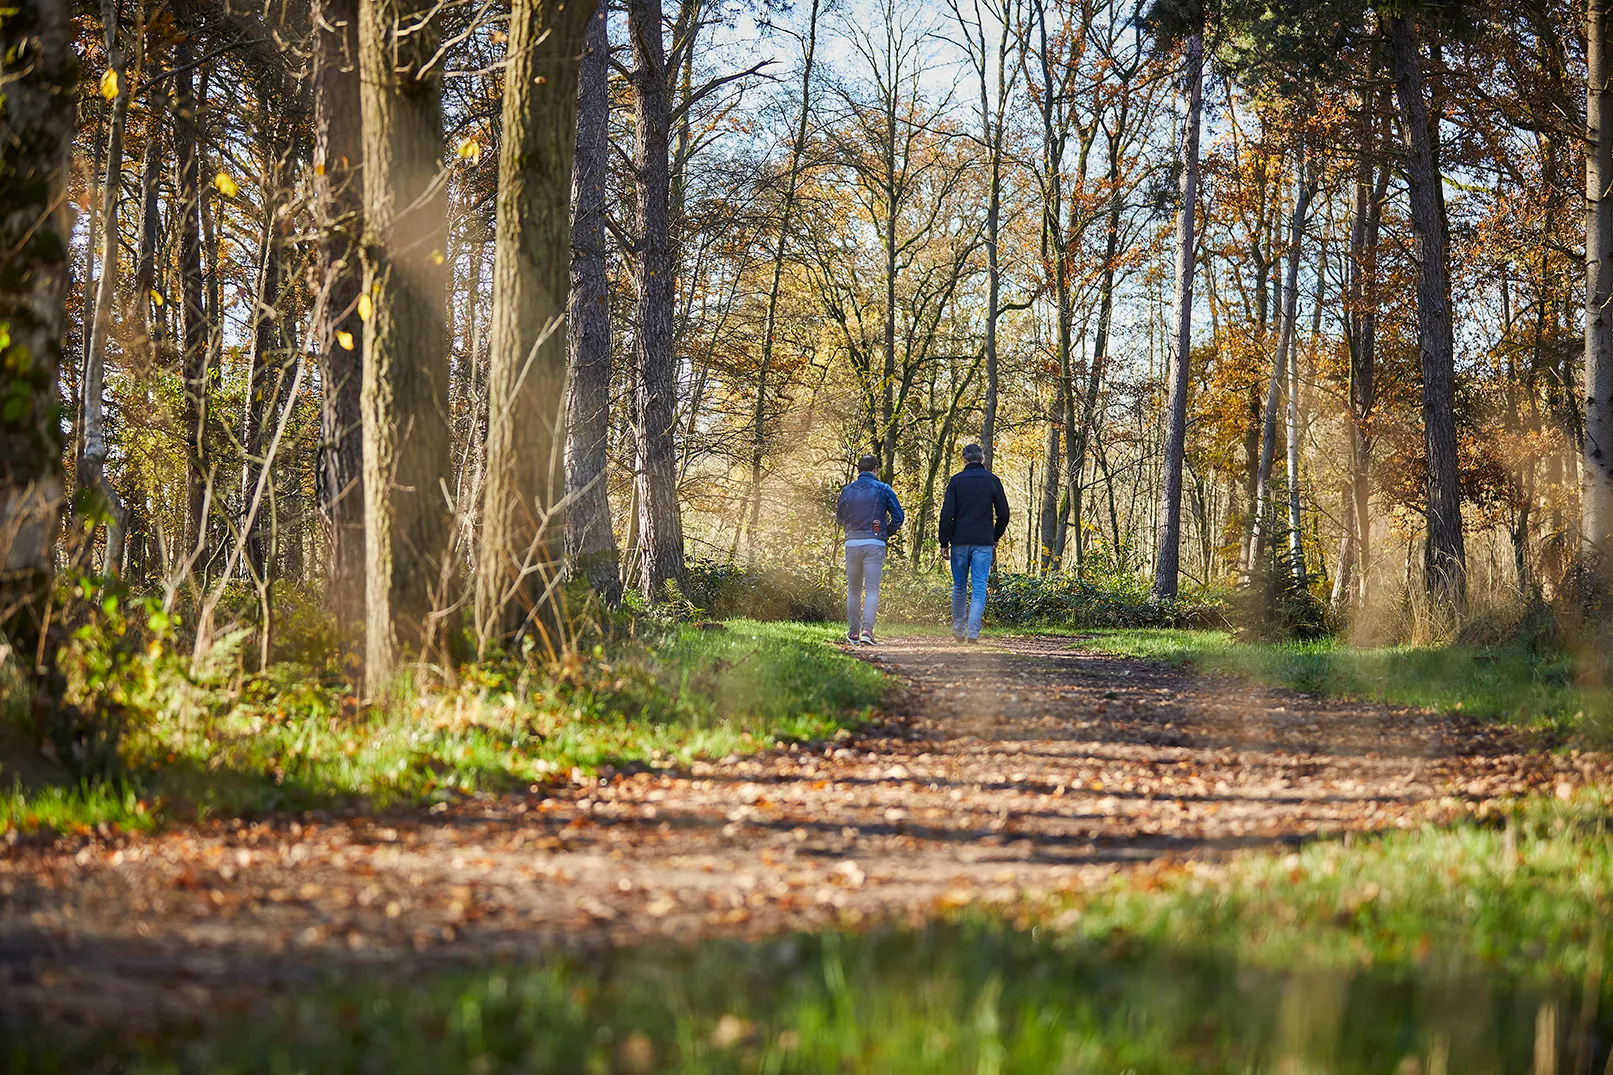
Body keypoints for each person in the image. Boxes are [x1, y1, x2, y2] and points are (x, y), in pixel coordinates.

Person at [938, 442, 1010, 643]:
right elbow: (1003, 514)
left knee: (959, 586)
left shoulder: (956, 481)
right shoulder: (992, 481)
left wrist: (944, 542)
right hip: (983, 541)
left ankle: (959, 630)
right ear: (982, 458)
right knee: (979, 586)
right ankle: (973, 634)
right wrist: (995, 536)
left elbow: (946, 515)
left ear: (964, 459)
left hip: (959, 541)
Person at [835, 454, 904, 645]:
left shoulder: (847, 491)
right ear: (875, 469)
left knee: (854, 590)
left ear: (859, 470)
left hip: (852, 543)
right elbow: (898, 516)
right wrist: (884, 532)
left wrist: (851, 529)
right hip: (874, 544)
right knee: (872, 590)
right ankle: (867, 631)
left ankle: (853, 632)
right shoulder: (883, 489)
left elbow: (839, 518)